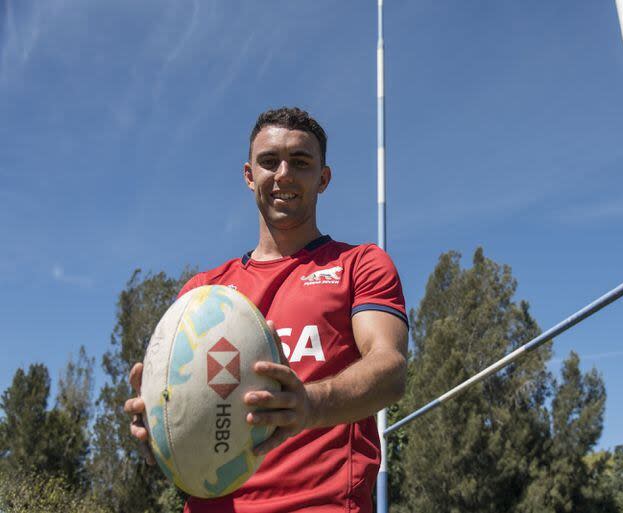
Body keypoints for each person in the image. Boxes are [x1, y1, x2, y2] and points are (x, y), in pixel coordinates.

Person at [123, 107, 409, 513]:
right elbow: (183, 418)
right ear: (248, 174)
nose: (284, 174)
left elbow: (390, 367)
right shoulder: (202, 292)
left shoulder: (359, 264)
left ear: (323, 179)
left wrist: (310, 405)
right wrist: (156, 425)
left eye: (301, 162)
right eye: (269, 161)